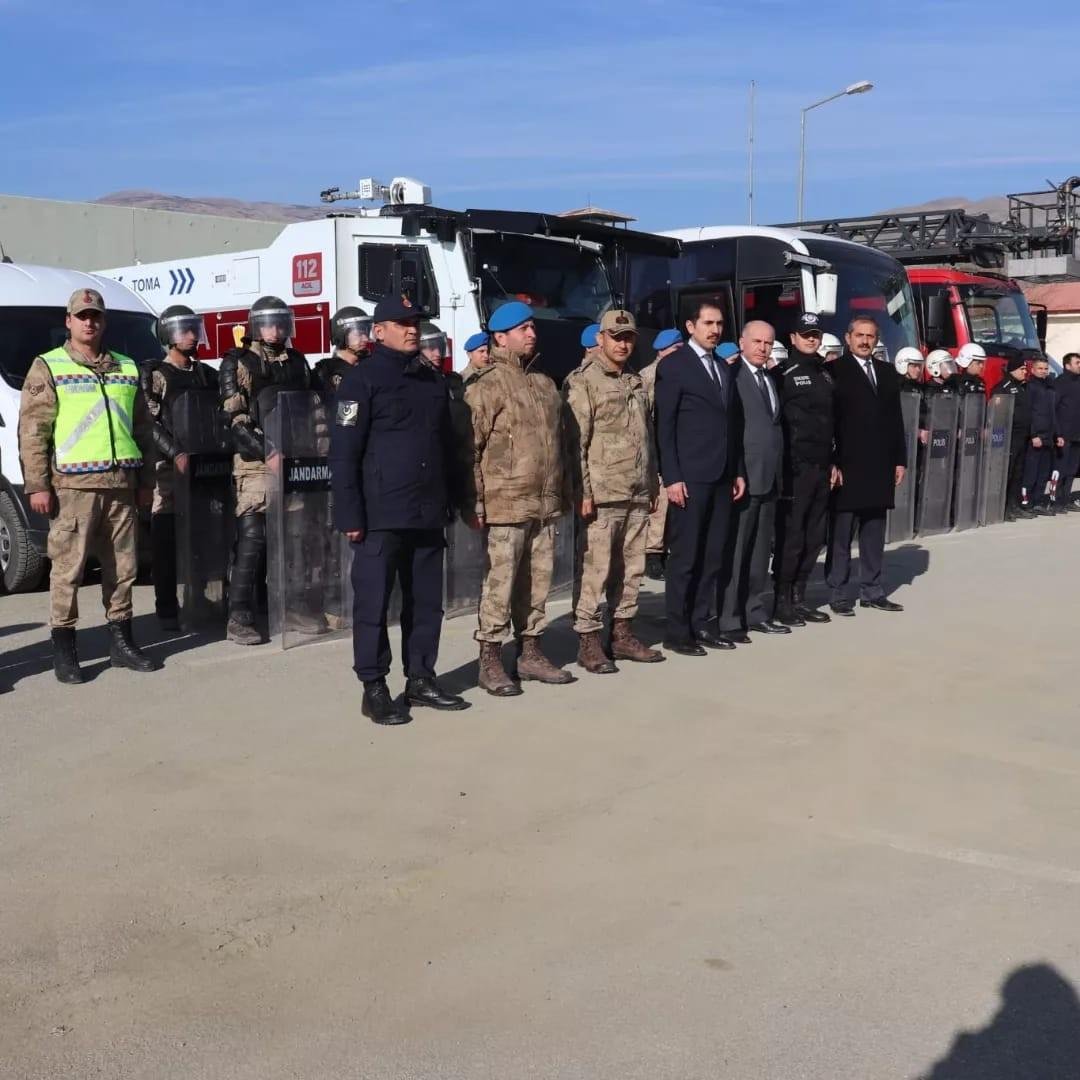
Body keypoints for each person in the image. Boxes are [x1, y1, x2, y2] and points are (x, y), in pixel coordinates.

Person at [330, 294, 467, 725]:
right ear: (379, 331)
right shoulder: (361, 380)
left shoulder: (430, 379)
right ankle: (374, 687)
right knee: (373, 604)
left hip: (426, 511)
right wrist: (350, 515)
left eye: (417, 322)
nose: (412, 329)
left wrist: (454, 500)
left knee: (426, 602)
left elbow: (447, 447)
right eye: (402, 322)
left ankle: (421, 678)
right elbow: (343, 452)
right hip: (379, 514)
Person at [18, 288, 158, 683]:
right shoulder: (49, 366)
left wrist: (146, 480)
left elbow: (144, 431)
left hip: (121, 484)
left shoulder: (127, 367)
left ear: (104, 321)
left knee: (124, 568)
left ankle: (122, 643)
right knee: (67, 570)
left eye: (95, 315)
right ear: (69, 321)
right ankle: (65, 651)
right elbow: (33, 431)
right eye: (82, 316)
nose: (89, 322)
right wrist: (37, 485)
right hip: (72, 487)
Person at [465, 301, 574, 694]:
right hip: (505, 503)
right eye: (523, 328)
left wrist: (564, 495)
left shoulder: (545, 385)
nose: (532, 333)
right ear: (500, 336)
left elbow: (560, 446)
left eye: (532, 327)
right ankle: (490, 660)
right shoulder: (486, 385)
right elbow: (469, 449)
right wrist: (475, 502)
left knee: (538, 582)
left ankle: (531, 653)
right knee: (501, 582)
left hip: (543, 504)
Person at [564, 310, 663, 672]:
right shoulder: (582, 381)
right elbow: (577, 442)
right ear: (600, 339)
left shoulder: (635, 381)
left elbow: (646, 437)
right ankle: (588, 641)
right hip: (603, 495)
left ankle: (622, 634)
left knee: (633, 568)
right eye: (616, 336)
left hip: (636, 491)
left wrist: (652, 481)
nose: (623, 343)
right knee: (596, 569)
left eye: (629, 337)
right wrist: (583, 491)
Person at [218, 295, 313, 645]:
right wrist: (267, 451)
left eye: (281, 322)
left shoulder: (299, 362)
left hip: (296, 459)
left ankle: (293, 606)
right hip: (256, 461)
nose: (276, 330)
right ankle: (239, 614)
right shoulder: (238, 362)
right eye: (269, 323)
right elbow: (234, 418)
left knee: (296, 537)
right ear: (256, 326)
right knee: (253, 538)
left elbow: (310, 409)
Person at [654, 296, 746, 655]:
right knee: (686, 557)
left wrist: (736, 471)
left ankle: (703, 624)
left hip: (722, 475)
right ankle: (678, 632)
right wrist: (672, 476)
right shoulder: (675, 366)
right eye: (708, 323)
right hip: (690, 477)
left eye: (719, 324)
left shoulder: (723, 368)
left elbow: (731, 425)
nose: (716, 330)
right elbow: (666, 425)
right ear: (691, 327)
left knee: (713, 556)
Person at [825, 316, 907, 615]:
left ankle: (872, 589)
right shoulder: (833, 370)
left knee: (873, 532)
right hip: (847, 465)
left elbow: (895, 420)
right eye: (858, 335)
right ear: (848, 338)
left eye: (870, 336)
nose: (864, 341)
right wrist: (832, 462)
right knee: (842, 535)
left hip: (880, 465)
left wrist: (900, 459)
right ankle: (838, 592)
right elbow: (829, 422)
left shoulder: (886, 372)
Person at [141, 304, 216, 631]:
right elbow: (150, 423)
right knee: (167, 540)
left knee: (203, 536)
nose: (190, 335)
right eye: (183, 330)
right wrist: (176, 453)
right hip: (170, 470)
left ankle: (198, 598)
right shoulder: (156, 374)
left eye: (193, 328)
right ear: (168, 335)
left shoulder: (205, 374)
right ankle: (167, 608)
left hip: (205, 465)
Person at [716, 320, 787, 642]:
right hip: (744, 478)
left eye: (768, 343)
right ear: (742, 342)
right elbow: (731, 431)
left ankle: (755, 611)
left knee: (760, 552)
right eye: (756, 341)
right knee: (737, 551)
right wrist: (737, 471)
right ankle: (729, 619)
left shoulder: (771, 378)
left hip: (770, 476)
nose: (762, 348)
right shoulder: (731, 376)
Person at [773, 312, 837, 626]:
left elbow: (834, 423)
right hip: (795, 468)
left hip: (822, 467)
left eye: (815, 334)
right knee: (793, 536)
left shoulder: (826, 374)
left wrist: (835, 461)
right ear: (793, 338)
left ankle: (800, 597)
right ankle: (781, 599)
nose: (811, 339)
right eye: (805, 334)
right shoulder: (783, 373)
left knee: (815, 536)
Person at [640, 328, 682, 581]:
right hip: (657, 448)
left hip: (670, 447)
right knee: (660, 504)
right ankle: (653, 553)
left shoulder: (672, 371)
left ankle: (662, 550)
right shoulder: (650, 375)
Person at [993, 355, 1033, 520]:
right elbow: (997, 414)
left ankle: (1013, 505)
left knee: (1018, 473)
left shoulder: (1023, 387)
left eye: (1025, 369)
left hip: (1022, 437)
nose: (1025, 372)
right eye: (1022, 369)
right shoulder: (1004, 387)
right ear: (1012, 370)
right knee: (1007, 474)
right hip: (1010, 437)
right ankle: (1002, 508)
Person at [1023, 357, 1061, 513]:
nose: (1044, 371)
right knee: (1031, 472)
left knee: (1043, 473)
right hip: (1036, 437)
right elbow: (1028, 413)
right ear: (1032, 370)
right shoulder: (1030, 387)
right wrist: (1034, 435)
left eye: (1046, 368)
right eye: (1040, 368)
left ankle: (1038, 502)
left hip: (1049, 437)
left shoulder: (1050, 388)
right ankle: (1026, 502)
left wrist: (1057, 435)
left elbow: (1053, 414)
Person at [313, 307, 371, 395]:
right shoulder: (324, 372)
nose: (366, 339)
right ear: (341, 334)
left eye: (366, 333)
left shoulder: (372, 365)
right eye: (359, 333)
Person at [1052, 352, 1080, 511]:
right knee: (1060, 468)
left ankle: (1066, 498)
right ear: (1068, 365)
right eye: (1077, 363)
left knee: (1072, 469)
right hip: (1064, 434)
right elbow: (1054, 409)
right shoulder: (1060, 383)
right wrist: (1058, 433)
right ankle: (1054, 499)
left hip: (1077, 434)